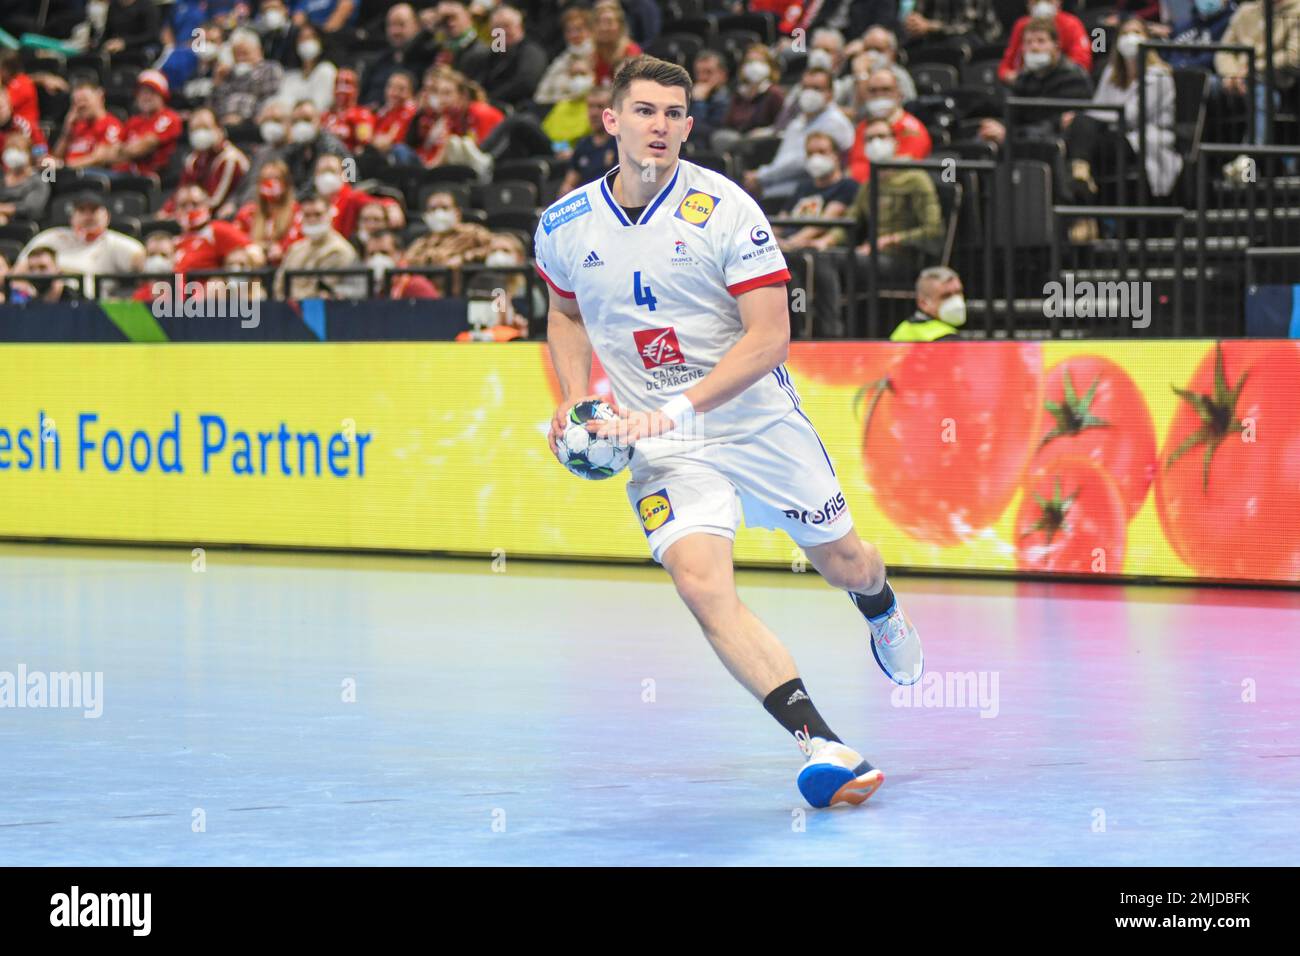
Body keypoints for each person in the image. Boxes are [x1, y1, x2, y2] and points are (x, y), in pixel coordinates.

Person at [533, 55, 924, 811]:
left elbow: (769, 338)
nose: (661, 126)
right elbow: (566, 311)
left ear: (689, 125)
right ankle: (824, 744)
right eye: (644, 111)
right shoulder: (565, 225)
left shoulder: (727, 209)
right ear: (610, 121)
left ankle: (881, 608)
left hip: (754, 420)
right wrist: (578, 400)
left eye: (675, 114)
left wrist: (677, 407)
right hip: (662, 444)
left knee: (846, 561)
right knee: (701, 586)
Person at [1063, 18, 1183, 202]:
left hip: (1143, 141)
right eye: (1125, 34)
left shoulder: (1160, 76)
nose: (1130, 38)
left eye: (1136, 33)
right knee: (1079, 135)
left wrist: (1090, 119)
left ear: (1148, 39)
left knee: (1083, 131)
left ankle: (1083, 201)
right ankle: (1081, 180)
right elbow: (1098, 106)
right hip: (1112, 134)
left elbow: (1132, 117)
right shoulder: (1110, 73)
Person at [743, 67, 855, 201]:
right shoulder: (796, 124)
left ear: (830, 94)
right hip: (774, 190)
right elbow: (781, 161)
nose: (810, 93)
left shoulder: (836, 123)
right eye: (806, 88)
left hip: (810, 193)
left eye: (816, 88)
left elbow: (802, 164)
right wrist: (760, 180)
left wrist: (761, 176)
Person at [18, 191, 144, 297]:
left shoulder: (114, 243)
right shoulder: (52, 237)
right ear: (72, 217)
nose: (88, 216)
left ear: (107, 216)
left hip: (90, 306)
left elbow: (141, 261)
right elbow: (18, 272)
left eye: (94, 210)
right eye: (82, 210)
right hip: (47, 303)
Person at [847, 69, 932, 184]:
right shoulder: (863, 128)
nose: (879, 95)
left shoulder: (912, 129)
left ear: (899, 93)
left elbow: (901, 171)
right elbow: (855, 166)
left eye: (886, 89)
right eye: (873, 91)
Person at [161, 108, 250, 217]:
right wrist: (166, 211)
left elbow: (214, 203)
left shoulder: (230, 159)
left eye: (205, 128)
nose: (200, 134)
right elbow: (181, 191)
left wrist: (180, 213)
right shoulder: (193, 159)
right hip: (193, 214)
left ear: (219, 130)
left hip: (220, 217)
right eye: (195, 130)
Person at [276, 192, 361, 299]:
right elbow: (279, 286)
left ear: (329, 214)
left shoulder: (339, 250)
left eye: (318, 214)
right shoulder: (296, 248)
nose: (312, 219)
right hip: (286, 309)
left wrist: (289, 298)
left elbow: (320, 291)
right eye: (307, 215)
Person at [109, 71, 184, 180]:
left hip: (150, 178)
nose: (146, 97)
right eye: (142, 93)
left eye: (151, 92)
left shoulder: (169, 117)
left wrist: (122, 151)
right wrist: (125, 151)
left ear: (162, 95)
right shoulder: (133, 121)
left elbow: (141, 148)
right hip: (124, 175)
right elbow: (109, 154)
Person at [998, 0, 1093, 83]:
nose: (1034, 46)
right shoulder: (1021, 25)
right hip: (1027, 83)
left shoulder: (1071, 24)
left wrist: (1053, 76)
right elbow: (1005, 66)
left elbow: (1082, 63)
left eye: (1041, 41)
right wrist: (1016, 78)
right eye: (1036, 1)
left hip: (1060, 81)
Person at [234, 160, 302, 266]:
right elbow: (236, 238)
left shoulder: (296, 211)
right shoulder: (247, 212)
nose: (271, 183)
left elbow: (297, 238)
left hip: (284, 265)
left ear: (286, 183)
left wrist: (282, 248)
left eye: (276, 178)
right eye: (266, 179)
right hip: (254, 267)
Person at [478, 5, 548, 108]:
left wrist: (489, 100)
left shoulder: (531, 51)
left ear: (519, 27)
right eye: (497, 27)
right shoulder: (493, 55)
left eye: (507, 26)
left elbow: (526, 84)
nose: (502, 32)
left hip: (519, 108)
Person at [558, 87, 617, 196]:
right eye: (590, 107)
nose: (594, 113)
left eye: (600, 107)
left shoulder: (621, 143)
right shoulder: (582, 145)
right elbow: (567, 186)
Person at [890, 266, 968, 341]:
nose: (956, 301)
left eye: (959, 292)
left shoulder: (903, 328)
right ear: (923, 303)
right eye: (946, 296)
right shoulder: (948, 340)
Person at [275, 21, 337, 114]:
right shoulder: (290, 77)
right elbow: (281, 106)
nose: (306, 42)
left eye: (311, 38)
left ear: (321, 42)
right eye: (301, 39)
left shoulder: (326, 70)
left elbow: (321, 105)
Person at [0, 132, 51, 225]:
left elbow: (31, 208)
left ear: (29, 154)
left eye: (18, 149)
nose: (13, 154)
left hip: (22, 224)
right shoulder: (2, 178)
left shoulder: (37, 181)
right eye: (9, 149)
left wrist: (4, 209)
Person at [8, 246, 80, 303]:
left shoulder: (75, 300)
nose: (36, 273)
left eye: (42, 267)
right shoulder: (27, 302)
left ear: (57, 270)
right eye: (31, 268)